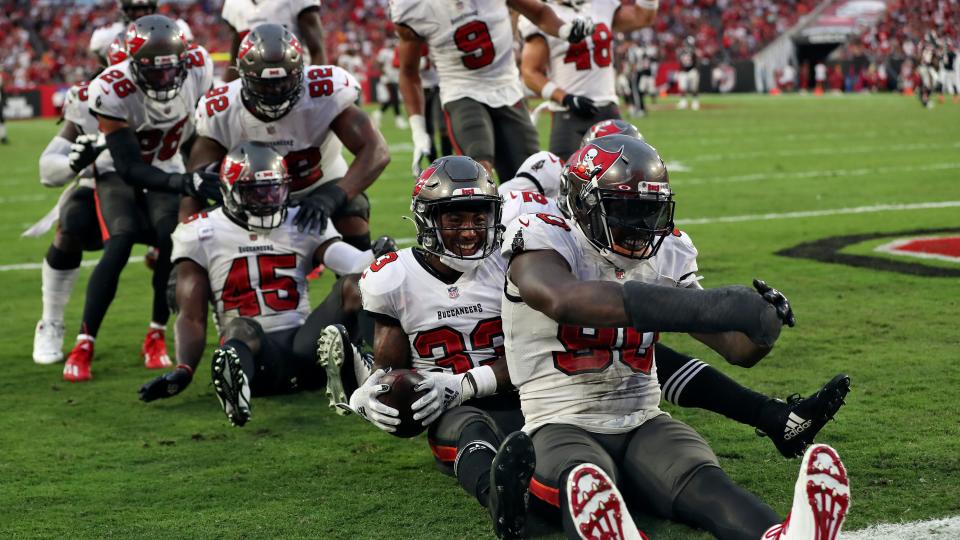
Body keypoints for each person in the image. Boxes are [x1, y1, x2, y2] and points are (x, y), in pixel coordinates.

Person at [498, 135, 850, 539]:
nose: (639, 227)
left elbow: (736, 350)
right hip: (558, 421)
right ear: (582, 203)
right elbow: (564, 300)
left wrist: (763, 329)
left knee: (705, 482)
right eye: (625, 210)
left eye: (649, 212)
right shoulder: (544, 237)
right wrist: (708, 305)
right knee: (586, 483)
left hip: (643, 417)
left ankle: (782, 535)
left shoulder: (666, 251)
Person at [138, 142, 390, 426]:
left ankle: (385, 370)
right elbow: (191, 315)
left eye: (274, 189)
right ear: (229, 191)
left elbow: (350, 264)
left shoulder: (299, 218)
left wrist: (375, 257)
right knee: (241, 328)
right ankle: (237, 388)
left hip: (305, 347)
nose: (268, 199)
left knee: (357, 285)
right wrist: (184, 368)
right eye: (256, 192)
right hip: (256, 360)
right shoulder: (201, 231)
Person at [63, 15, 216, 382]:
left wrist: (194, 173)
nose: (164, 78)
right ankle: (84, 342)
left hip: (167, 163)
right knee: (120, 239)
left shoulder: (199, 66)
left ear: (183, 60)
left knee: (170, 239)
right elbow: (130, 168)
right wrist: (184, 181)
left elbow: (203, 129)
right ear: (132, 65)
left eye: (170, 69)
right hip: (117, 171)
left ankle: (155, 335)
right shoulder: (112, 87)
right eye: (153, 70)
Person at [189, 24, 389, 252]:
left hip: (321, 185)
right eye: (265, 84)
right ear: (242, 77)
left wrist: (333, 197)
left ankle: (358, 279)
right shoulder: (222, 108)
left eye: (284, 81)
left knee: (352, 209)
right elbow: (197, 179)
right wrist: (187, 233)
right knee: (206, 229)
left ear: (300, 72)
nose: (276, 92)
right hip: (255, 196)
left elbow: (377, 150)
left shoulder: (324, 91)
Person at [391, 0, 594, 179]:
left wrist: (564, 30)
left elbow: (539, 12)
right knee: (479, 171)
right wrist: (418, 131)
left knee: (532, 175)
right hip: (462, 90)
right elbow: (408, 72)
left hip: (507, 88)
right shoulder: (415, 6)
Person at [518, 0, 658, 159]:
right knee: (567, 177)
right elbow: (530, 72)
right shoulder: (543, 14)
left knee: (624, 173)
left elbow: (644, 17)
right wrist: (565, 98)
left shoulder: (602, 4)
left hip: (608, 109)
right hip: (569, 115)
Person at [221, 0, 325, 81]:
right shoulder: (233, 4)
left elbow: (317, 51)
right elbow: (235, 61)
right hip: (255, 86)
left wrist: (314, 84)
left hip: (295, 79)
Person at [89, 0, 194, 67]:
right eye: (135, 10)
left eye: (145, 9)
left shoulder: (175, 27)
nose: (140, 14)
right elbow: (104, 65)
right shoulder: (108, 34)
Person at [676, 35, 700, 110]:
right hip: (685, 71)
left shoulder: (692, 51)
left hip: (691, 70)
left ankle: (694, 102)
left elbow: (696, 61)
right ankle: (684, 102)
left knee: (693, 88)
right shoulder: (682, 51)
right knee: (683, 88)